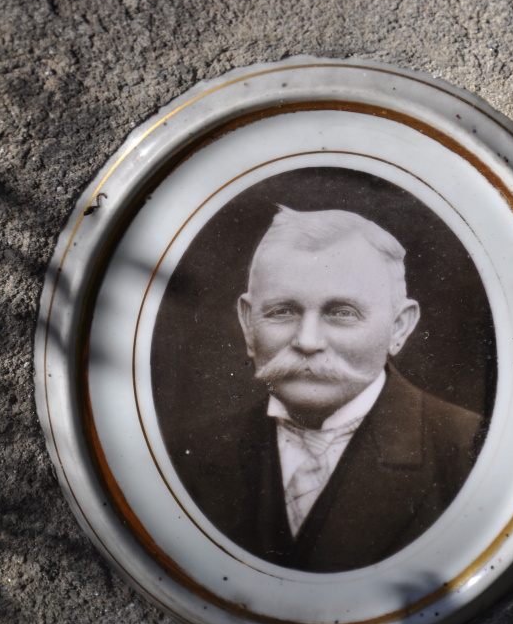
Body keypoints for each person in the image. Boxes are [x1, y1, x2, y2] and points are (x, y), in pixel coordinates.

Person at [178, 206, 485, 573]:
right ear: (248, 323)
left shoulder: (471, 452)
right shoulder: (186, 455)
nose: (308, 341)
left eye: (341, 312)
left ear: (399, 327)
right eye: (282, 311)